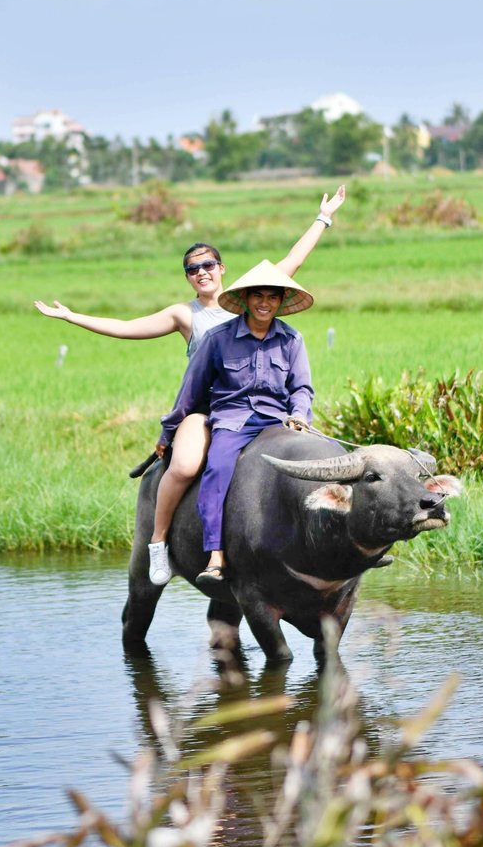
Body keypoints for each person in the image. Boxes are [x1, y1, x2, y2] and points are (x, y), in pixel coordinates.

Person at [34, 186, 344, 583]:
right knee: (185, 467)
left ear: (223, 269)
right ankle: (160, 542)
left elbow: (293, 259)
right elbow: (127, 329)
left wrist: (324, 216)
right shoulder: (188, 315)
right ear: (188, 277)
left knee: (324, 457)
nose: (202, 273)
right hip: (211, 407)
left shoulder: (263, 303)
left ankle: (335, 545)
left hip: (270, 408)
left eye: (208, 265)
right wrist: (73, 317)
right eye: (193, 269)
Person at [157, 260, 314, 586]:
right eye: (258, 296)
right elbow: (190, 392)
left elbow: (301, 388)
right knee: (217, 470)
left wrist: (299, 416)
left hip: (278, 420)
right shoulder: (218, 339)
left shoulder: (291, 339)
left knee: (320, 463)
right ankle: (215, 554)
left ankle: (322, 549)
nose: (264, 303)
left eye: (273, 297)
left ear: (282, 301)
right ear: (245, 299)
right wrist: (168, 431)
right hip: (232, 420)